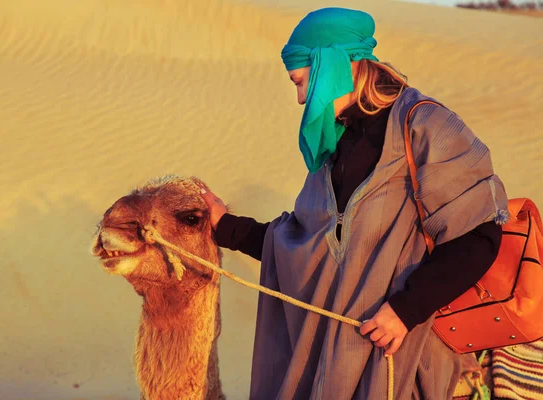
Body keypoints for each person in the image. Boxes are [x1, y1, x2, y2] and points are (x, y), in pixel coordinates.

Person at [197, 7, 509, 399]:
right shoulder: (335, 148)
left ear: (331, 65)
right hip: (336, 365)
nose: (298, 99)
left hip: (403, 361)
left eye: (300, 82)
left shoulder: (424, 127)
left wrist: (406, 309)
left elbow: (479, 236)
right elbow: (306, 248)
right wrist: (226, 226)